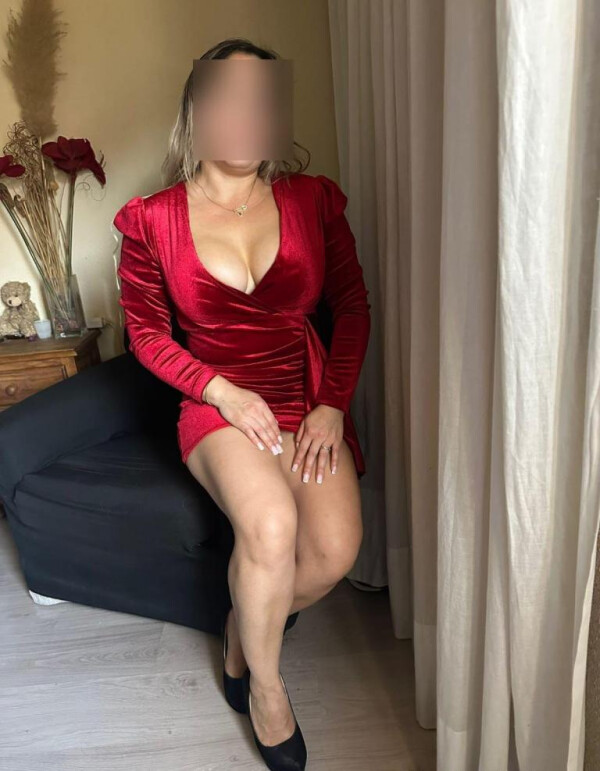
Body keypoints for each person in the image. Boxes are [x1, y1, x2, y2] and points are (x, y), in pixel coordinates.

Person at [113, 38, 371, 771]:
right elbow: (145, 336)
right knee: (271, 524)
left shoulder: (313, 199)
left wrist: (331, 404)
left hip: (304, 394)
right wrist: (222, 392)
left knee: (333, 551)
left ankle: (238, 631)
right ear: (195, 111)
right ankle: (266, 688)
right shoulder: (150, 219)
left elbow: (353, 307)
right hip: (217, 400)